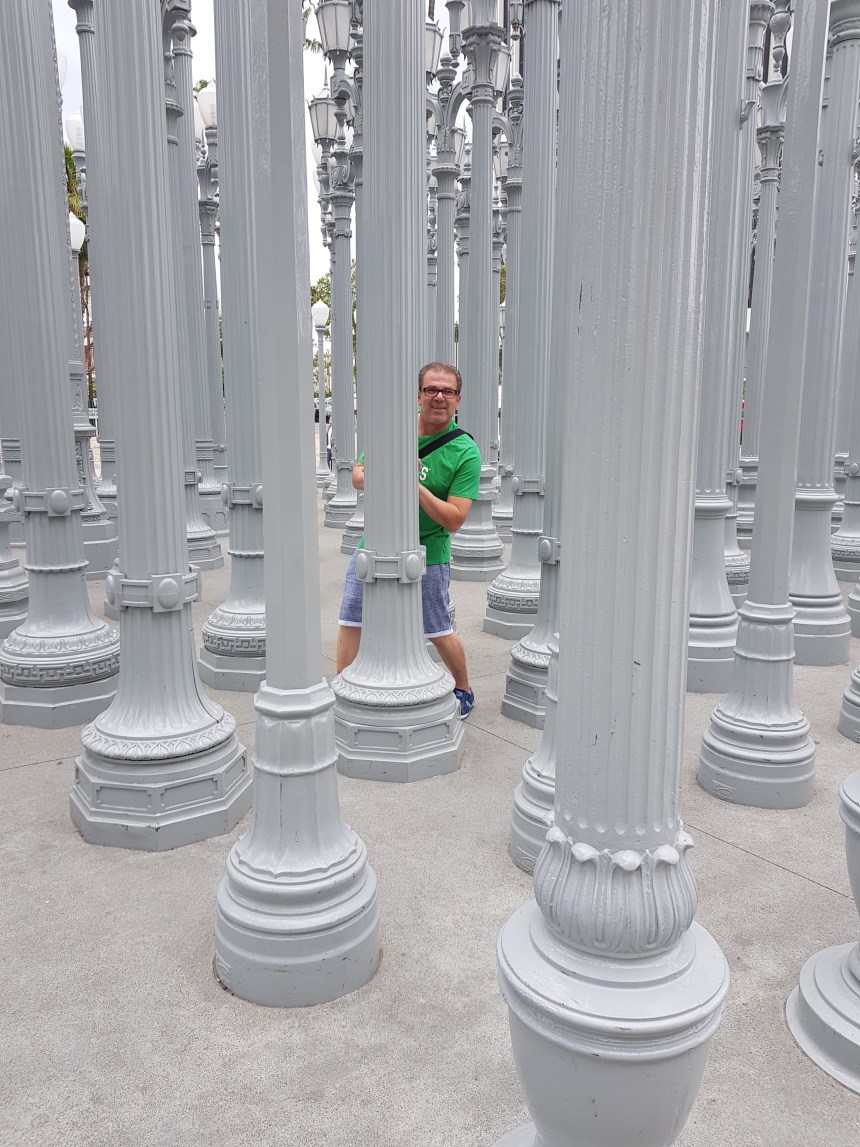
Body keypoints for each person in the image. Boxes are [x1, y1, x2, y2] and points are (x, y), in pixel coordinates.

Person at [336, 362, 479, 718]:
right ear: (418, 395)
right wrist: (384, 471)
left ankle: (463, 688)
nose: (439, 397)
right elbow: (357, 475)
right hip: (375, 543)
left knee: (437, 627)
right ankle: (340, 689)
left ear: (458, 399)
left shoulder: (465, 451)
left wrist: (411, 485)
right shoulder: (396, 429)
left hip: (429, 552)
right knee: (352, 617)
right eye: (431, 389)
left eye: (447, 391)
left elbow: (455, 518)